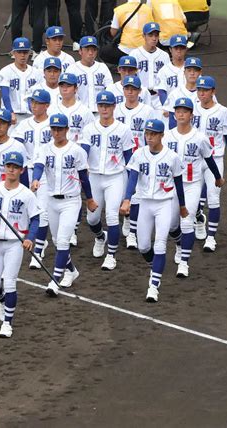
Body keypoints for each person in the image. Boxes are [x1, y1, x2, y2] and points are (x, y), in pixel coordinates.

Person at [0, 152, 42, 338]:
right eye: (9, 166)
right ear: (5, 168)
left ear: (21, 170)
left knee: (10, 281)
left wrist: (30, 237)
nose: (11, 169)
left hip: (15, 244)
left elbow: (36, 219)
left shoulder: (27, 194)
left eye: (15, 167)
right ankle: (4, 301)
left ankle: (7, 323)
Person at [120, 119, 187, 303]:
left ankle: (153, 286)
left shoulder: (172, 157)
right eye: (147, 134)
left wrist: (182, 206)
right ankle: (155, 266)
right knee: (143, 246)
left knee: (160, 244)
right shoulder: (139, 154)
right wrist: (127, 199)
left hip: (164, 204)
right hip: (145, 204)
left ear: (161, 135)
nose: (149, 137)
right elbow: (133, 178)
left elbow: (179, 184)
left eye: (153, 134)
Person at [31, 113, 98, 296]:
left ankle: (54, 280)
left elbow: (84, 177)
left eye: (60, 129)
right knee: (56, 241)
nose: (57, 132)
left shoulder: (76, 151)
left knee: (62, 241)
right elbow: (38, 166)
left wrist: (90, 199)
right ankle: (72, 271)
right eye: (54, 128)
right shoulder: (45, 149)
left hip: (71, 202)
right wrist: (36, 180)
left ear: (67, 130)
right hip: (52, 201)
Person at [163, 97, 224, 277]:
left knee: (187, 221)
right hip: (171, 186)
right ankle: (180, 244)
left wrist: (217, 177)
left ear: (191, 114)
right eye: (178, 111)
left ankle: (184, 263)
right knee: (172, 225)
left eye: (184, 111)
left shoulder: (200, 137)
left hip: (191, 185)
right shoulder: (167, 136)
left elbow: (209, 159)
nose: (180, 114)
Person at [81, 91, 134, 270]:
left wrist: (131, 186)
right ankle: (99, 238)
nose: (104, 109)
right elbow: (84, 153)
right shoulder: (89, 129)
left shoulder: (123, 129)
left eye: (107, 105)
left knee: (112, 215)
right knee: (92, 218)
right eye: (101, 105)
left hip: (116, 177)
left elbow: (129, 157)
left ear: (113, 107)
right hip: (95, 176)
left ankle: (111, 255)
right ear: (97, 107)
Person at [193, 75, 227, 252]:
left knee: (213, 198)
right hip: (195, 160)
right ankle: (199, 220)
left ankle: (211, 238)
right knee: (193, 199)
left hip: (216, 158)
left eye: (205, 90)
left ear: (213, 92)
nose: (202, 93)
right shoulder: (192, 109)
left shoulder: (223, 111)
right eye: (199, 90)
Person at [48, 72, 96, 247]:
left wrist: (81, 159)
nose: (65, 88)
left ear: (76, 88)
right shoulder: (52, 109)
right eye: (62, 85)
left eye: (68, 85)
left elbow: (88, 137)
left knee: (75, 194)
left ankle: (73, 229)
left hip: (76, 158)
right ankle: (69, 230)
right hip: (56, 158)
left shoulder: (84, 111)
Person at [11, 89, 52, 269]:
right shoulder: (24, 124)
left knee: (42, 213)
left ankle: (38, 251)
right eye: (32, 102)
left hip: (46, 173)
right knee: (27, 211)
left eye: (38, 103)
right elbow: (15, 145)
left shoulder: (53, 125)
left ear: (46, 105)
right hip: (26, 171)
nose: (34, 105)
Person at [113, 75, 156, 247]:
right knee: (122, 195)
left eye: (133, 89)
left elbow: (153, 135)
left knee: (136, 195)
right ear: (123, 90)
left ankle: (132, 231)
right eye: (127, 88)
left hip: (140, 158)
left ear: (139, 91)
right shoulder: (115, 110)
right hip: (118, 159)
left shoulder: (147, 111)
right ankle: (128, 219)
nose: (130, 92)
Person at [0, 37, 44, 128]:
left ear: (29, 52)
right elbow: (5, 95)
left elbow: (38, 96)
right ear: (13, 53)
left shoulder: (36, 73)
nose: (22, 55)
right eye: (19, 52)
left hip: (31, 116)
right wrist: (10, 112)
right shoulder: (6, 71)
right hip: (11, 116)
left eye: (25, 52)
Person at [65, 36, 114, 114]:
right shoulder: (72, 69)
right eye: (87, 49)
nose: (91, 53)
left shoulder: (102, 67)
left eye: (93, 50)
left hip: (99, 114)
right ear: (80, 51)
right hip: (79, 113)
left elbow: (110, 90)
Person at [129, 22, 170, 112]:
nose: (154, 38)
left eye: (156, 35)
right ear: (144, 36)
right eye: (150, 35)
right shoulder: (135, 54)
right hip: (141, 95)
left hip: (158, 97)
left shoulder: (164, 55)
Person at [99, 0, 154, 65]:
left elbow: (113, 32)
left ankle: (123, 64)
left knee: (102, 52)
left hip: (125, 49)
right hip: (144, 48)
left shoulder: (120, 9)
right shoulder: (148, 9)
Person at [163, 56, 205, 128]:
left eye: (195, 70)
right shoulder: (175, 94)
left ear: (200, 72)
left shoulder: (207, 93)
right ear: (184, 72)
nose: (192, 73)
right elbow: (172, 121)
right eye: (189, 70)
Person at [155, 34, 187, 109]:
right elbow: (162, 92)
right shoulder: (164, 71)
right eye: (176, 48)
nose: (179, 51)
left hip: (189, 110)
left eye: (181, 48)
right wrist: (166, 107)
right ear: (170, 49)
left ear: (186, 49)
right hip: (171, 109)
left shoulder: (191, 69)